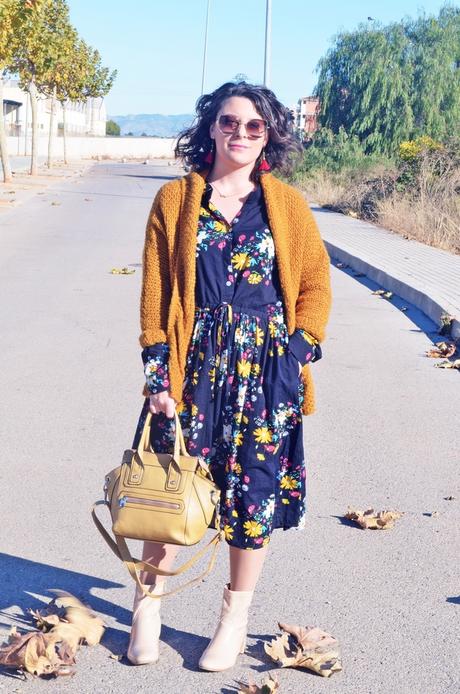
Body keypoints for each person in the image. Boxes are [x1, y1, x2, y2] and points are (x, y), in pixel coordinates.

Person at [127, 80, 332, 670]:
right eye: (228, 122)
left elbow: (316, 283)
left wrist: (299, 350)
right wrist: (158, 377)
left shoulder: (286, 205)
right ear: (209, 127)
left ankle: (233, 619)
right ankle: (148, 607)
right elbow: (154, 295)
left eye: (254, 126)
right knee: (169, 489)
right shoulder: (175, 200)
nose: (239, 134)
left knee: (253, 498)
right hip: (195, 369)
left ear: (269, 135)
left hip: (268, 372)